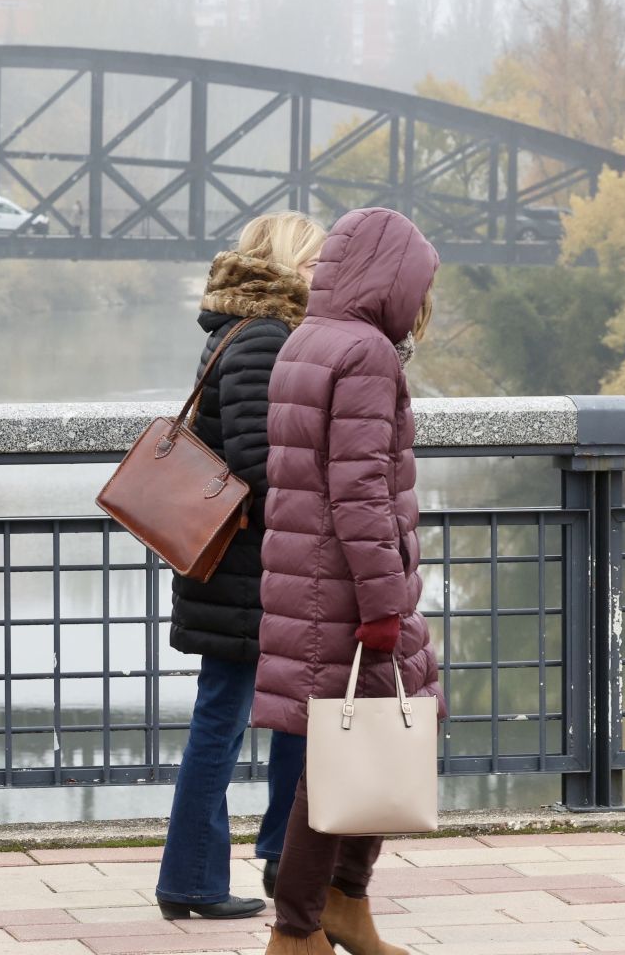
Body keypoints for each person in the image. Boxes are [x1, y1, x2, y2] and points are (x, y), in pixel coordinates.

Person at [255, 207, 441, 955]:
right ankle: (300, 928)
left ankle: (343, 907)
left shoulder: (308, 339)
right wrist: (383, 605)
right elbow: (360, 491)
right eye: (421, 285)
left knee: (360, 745)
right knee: (357, 752)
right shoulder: (366, 354)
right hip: (350, 588)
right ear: (391, 279)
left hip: (309, 581)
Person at [155, 210, 328, 921]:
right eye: (315, 261)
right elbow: (262, 464)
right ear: (287, 265)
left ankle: (277, 859)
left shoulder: (248, 331)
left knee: (280, 711)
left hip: (246, 570)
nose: (325, 274)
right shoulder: (263, 339)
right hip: (249, 570)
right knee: (228, 716)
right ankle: (196, 878)